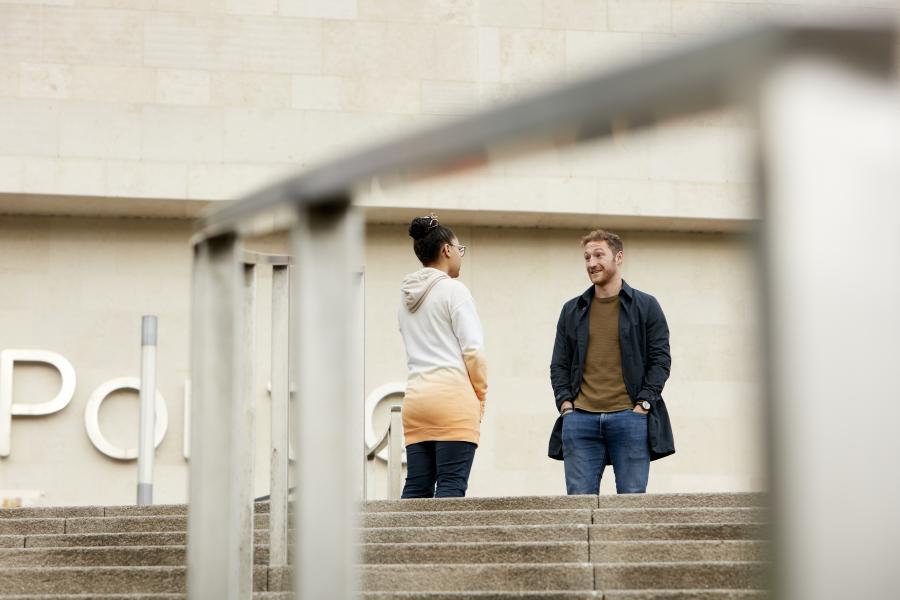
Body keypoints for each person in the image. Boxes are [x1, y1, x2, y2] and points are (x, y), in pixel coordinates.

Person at [550, 229, 674, 495]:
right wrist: (565, 404)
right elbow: (559, 363)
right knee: (579, 507)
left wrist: (643, 404)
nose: (591, 263)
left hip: (630, 418)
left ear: (618, 257)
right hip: (580, 419)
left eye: (598, 255)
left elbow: (660, 359)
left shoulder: (646, 306)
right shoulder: (572, 310)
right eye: (586, 257)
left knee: (629, 507)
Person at [398, 214, 487, 498]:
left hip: (415, 400)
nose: (460, 256)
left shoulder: (406, 298)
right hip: (452, 399)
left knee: (416, 487)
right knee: (450, 487)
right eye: (459, 249)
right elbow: (472, 350)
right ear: (446, 250)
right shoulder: (454, 291)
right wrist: (480, 396)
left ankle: (403, 543)